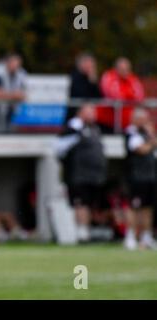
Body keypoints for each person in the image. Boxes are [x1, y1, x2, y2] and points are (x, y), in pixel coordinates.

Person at [56, 104, 108, 242]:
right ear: (80, 113)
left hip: (94, 174)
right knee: (80, 203)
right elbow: (59, 149)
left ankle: (86, 230)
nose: (93, 115)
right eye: (89, 112)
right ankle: (81, 232)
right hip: (78, 174)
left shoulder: (95, 128)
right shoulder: (72, 129)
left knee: (90, 203)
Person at [123, 108, 157, 250]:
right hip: (136, 177)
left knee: (148, 208)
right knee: (134, 207)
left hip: (150, 176)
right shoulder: (131, 132)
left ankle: (146, 237)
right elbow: (141, 149)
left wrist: (150, 135)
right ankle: (130, 236)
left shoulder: (146, 134)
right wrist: (152, 141)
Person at [99, 57, 145, 132]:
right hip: (111, 114)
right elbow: (114, 96)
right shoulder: (109, 76)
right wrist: (130, 96)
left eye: (127, 69)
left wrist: (127, 98)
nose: (124, 71)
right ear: (116, 68)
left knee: (142, 115)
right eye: (122, 69)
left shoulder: (132, 79)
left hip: (129, 114)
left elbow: (140, 97)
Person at [0, 53, 27, 131]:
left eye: (18, 65)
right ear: (8, 63)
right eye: (14, 64)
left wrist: (5, 95)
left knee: (8, 134)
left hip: (10, 110)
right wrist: (13, 95)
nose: (16, 67)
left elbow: (22, 95)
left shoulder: (21, 74)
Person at [67, 52, 102, 121]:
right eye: (88, 63)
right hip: (76, 111)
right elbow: (79, 95)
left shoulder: (93, 79)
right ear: (81, 64)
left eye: (92, 64)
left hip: (91, 111)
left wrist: (93, 82)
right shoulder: (75, 77)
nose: (90, 66)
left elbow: (99, 98)